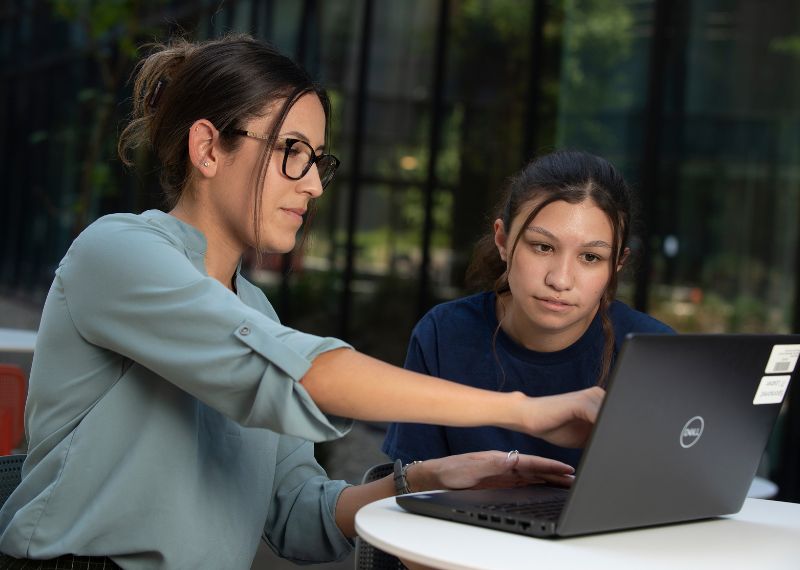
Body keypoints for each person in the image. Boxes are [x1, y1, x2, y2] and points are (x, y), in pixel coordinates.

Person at [0, 36, 603, 570]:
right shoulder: (118, 252)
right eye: (292, 151)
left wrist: (428, 481)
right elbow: (304, 375)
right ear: (208, 148)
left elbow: (298, 515)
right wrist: (525, 410)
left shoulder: (256, 312)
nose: (312, 184)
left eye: (318, 161)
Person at [383, 150, 674, 469]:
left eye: (590, 257)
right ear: (503, 240)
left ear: (617, 264)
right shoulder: (444, 335)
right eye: (543, 247)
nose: (560, 280)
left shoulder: (655, 353)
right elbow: (410, 489)